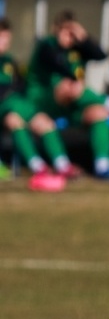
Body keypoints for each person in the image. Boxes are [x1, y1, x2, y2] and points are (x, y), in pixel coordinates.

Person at [26, 11, 109, 180]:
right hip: (44, 102)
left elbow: (101, 56)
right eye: (66, 32)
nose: (70, 37)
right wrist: (75, 82)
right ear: (56, 30)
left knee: (98, 112)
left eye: (72, 32)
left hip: (71, 105)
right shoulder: (46, 46)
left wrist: (83, 37)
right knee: (67, 87)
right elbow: (56, 64)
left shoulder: (77, 47)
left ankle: (102, 166)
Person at [0, 18, 68, 191]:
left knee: (44, 122)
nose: (6, 42)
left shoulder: (9, 61)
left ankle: (63, 165)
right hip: (5, 108)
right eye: (2, 38)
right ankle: (38, 167)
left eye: (8, 38)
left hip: (18, 105)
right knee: (14, 119)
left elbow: (20, 86)